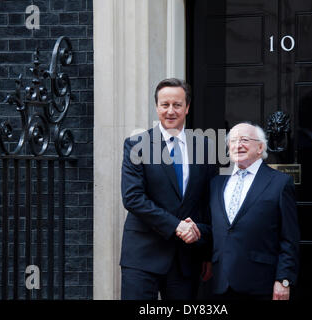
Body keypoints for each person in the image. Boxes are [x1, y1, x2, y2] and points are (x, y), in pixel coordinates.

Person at [120, 78, 217, 300]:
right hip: (142, 256)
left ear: (187, 107)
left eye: (177, 105)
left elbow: (208, 203)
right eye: (165, 105)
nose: (170, 111)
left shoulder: (205, 146)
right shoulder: (136, 145)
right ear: (157, 107)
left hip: (186, 259)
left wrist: (207, 252)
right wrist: (176, 226)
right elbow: (133, 198)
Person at [209, 123, 300, 300]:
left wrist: (284, 279)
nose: (237, 145)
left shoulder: (280, 183)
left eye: (244, 140)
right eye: (233, 141)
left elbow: (289, 237)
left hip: (261, 284)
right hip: (221, 283)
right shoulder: (216, 184)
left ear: (260, 147)